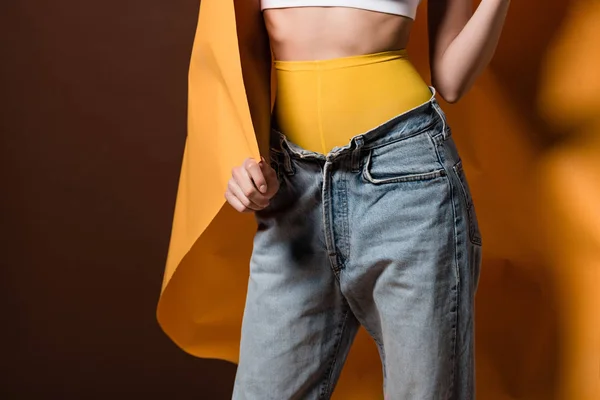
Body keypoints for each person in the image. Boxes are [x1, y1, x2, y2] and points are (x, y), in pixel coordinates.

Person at [222, 1, 510, 399]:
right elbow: (244, 46)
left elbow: (452, 79)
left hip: (407, 180)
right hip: (292, 186)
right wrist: (245, 152)